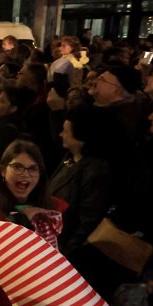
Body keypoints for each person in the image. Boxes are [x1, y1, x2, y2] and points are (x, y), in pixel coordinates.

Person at [0, 140, 66, 248]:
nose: (25, 174)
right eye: (17, 167)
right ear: (3, 171)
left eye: (32, 169)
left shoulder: (54, 210)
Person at [48, 107, 112, 256]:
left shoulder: (95, 171)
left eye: (66, 131)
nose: (61, 134)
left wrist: (66, 253)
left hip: (63, 248)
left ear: (82, 138)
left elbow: (88, 220)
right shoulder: (70, 158)